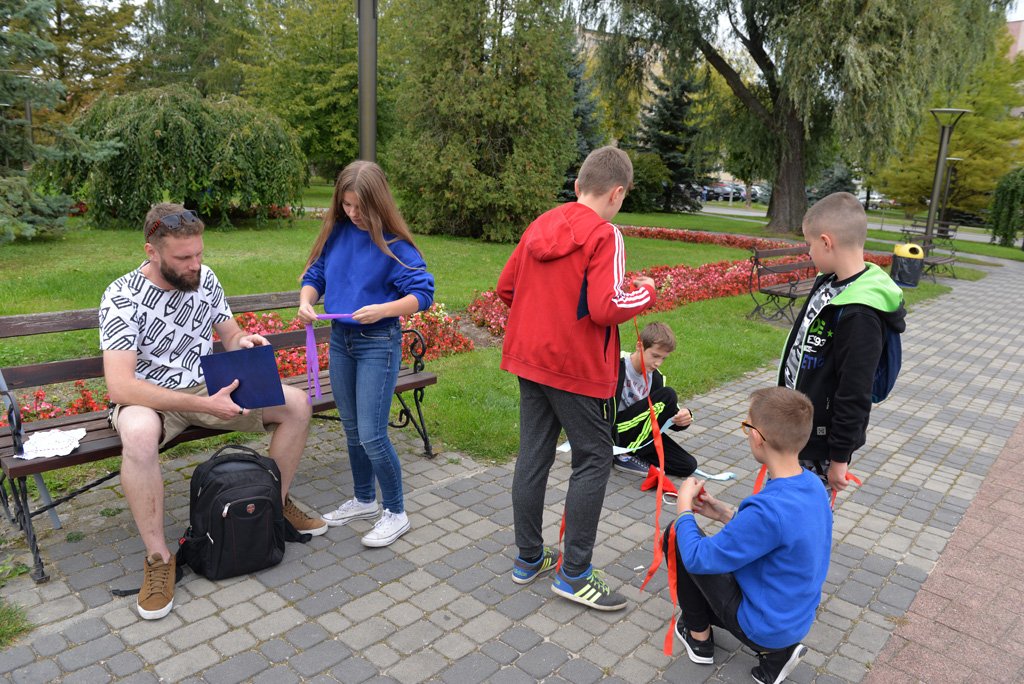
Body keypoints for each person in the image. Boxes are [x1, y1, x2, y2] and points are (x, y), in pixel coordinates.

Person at [101, 203, 325, 621]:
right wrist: (203, 404)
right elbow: (120, 386)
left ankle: (271, 510)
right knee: (139, 435)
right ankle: (158, 558)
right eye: (183, 257)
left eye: (199, 253)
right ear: (151, 251)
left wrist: (244, 342)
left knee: (297, 403)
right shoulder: (122, 295)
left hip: (207, 385)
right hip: (149, 397)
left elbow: (230, 333)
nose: (195, 264)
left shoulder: (205, 279)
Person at [498, 145, 657, 610]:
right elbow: (607, 307)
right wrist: (645, 293)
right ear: (618, 193)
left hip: (531, 360)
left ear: (577, 186)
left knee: (534, 455)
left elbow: (507, 288)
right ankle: (575, 574)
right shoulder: (607, 235)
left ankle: (529, 557)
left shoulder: (541, 224)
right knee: (594, 457)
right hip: (578, 369)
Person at [298, 161, 434, 549]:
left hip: (378, 344)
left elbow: (423, 294)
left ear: (378, 203)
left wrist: (383, 310)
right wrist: (306, 301)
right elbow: (315, 276)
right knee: (353, 429)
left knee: (373, 435)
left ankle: (396, 512)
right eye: (346, 205)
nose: (353, 213)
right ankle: (363, 500)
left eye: (360, 206)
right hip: (342, 341)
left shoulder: (395, 244)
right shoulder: (338, 232)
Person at [668, 387, 831, 684]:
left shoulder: (767, 509)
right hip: (794, 617)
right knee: (695, 539)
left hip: (765, 626)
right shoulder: (813, 485)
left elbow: (697, 558)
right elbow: (777, 534)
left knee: (678, 535)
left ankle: (699, 637)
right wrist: (722, 513)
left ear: (756, 436)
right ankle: (777, 654)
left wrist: (683, 508)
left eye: (746, 426)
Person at [778, 191, 906, 493]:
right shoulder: (827, 283)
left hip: (819, 444)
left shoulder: (860, 313)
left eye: (810, 244)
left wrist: (839, 458)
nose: (809, 252)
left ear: (826, 242)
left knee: (803, 513)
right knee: (780, 505)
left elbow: (855, 391)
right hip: (796, 429)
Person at [612, 321, 698, 478]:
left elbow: (669, 415)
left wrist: (684, 418)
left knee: (687, 465)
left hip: (640, 433)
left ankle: (634, 454)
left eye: (663, 358)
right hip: (615, 431)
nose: (658, 363)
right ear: (639, 346)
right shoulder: (616, 365)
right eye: (655, 356)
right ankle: (622, 455)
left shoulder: (656, 378)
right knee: (668, 394)